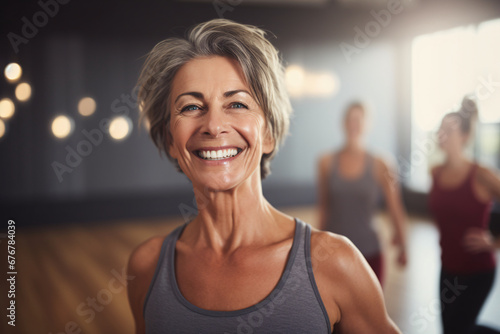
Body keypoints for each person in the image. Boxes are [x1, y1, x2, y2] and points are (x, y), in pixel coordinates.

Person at [126, 19, 401, 333]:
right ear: (171, 139)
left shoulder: (336, 264)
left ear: (269, 133)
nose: (213, 125)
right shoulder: (146, 267)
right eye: (190, 107)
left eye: (237, 103)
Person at [428, 96, 500, 334]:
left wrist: (495, 241)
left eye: (450, 130)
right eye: (441, 129)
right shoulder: (435, 172)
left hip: (478, 271)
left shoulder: (481, 174)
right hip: (447, 269)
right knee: (451, 330)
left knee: (461, 330)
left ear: (465, 136)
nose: (443, 134)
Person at [317, 102, 407, 286]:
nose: (354, 125)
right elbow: (324, 207)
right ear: (343, 123)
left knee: (369, 314)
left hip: (369, 252)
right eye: (350, 120)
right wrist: (317, 247)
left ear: (368, 124)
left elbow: (395, 208)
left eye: (359, 120)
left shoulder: (382, 164)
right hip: (335, 253)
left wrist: (403, 245)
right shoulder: (326, 162)